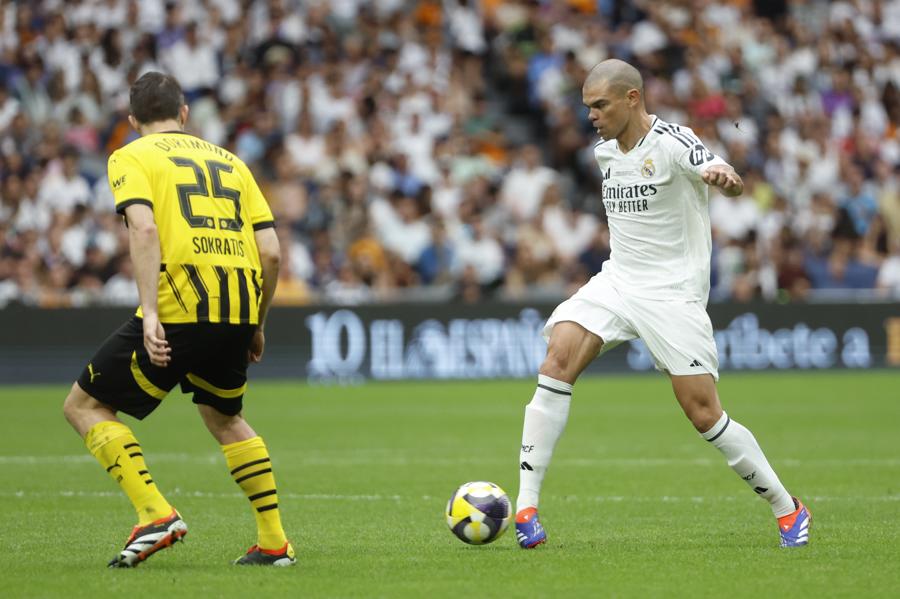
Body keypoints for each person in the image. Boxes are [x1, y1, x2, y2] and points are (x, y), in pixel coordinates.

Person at [514, 60, 810, 550]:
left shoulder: (674, 141)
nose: (591, 115)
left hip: (672, 294)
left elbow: (713, 166)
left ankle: (788, 508)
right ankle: (526, 509)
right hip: (618, 281)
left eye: (600, 105)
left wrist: (724, 176)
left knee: (704, 414)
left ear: (632, 99)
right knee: (557, 358)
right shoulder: (604, 153)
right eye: (587, 106)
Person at [62, 72, 295, 568]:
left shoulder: (130, 155)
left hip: (179, 305)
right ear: (184, 113)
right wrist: (257, 323)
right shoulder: (232, 162)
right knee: (225, 418)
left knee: (84, 406)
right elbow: (271, 252)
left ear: (132, 120)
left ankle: (154, 513)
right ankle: (274, 543)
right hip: (236, 304)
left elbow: (144, 228)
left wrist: (149, 313)